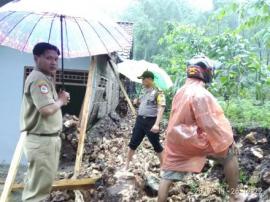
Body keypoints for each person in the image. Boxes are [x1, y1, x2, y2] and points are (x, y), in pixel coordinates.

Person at [158, 55, 241, 202]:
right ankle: (234, 195)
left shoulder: (181, 91)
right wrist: (228, 140)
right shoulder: (201, 94)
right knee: (229, 154)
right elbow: (210, 125)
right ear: (206, 72)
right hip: (193, 141)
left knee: (167, 175)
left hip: (175, 142)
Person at [20, 42, 70, 202]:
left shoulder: (45, 78)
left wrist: (59, 98)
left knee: (37, 184)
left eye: (56, 59)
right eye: (49, 58)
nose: (54, 62)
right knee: (38, 192)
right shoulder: (38, 80)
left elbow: (48, 105)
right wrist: (61, 101)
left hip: (46, 140)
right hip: (42, 141)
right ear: (36, 58)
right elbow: (47, 110)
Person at [125, 71, 166, 170]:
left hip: (151, 122)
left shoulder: (158, 92)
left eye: (144, 79)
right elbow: (143, 104)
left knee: (156, 146)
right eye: (142, 79)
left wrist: (156, 124)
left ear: (150, 79)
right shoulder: (143, 91)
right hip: (140, 121)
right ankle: (126, 166)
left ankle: (164, 167)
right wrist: (136, 102)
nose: (142, 81)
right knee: (133, 143)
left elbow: (161, 108)